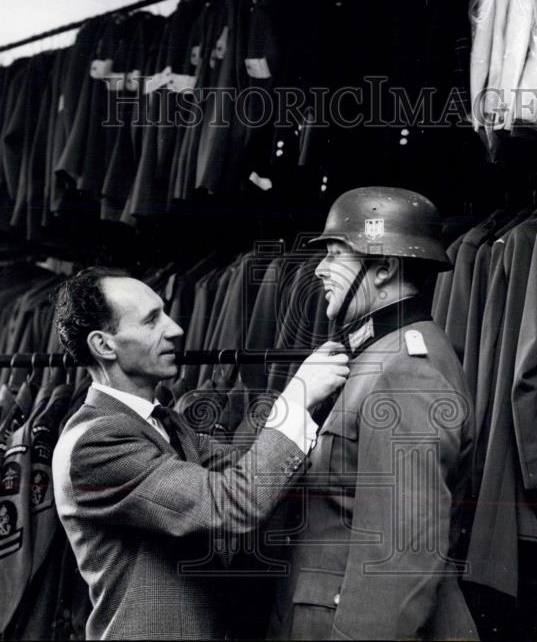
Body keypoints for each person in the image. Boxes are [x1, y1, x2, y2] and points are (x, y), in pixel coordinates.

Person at [50, 267, 349, 640]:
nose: (174, 329)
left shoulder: (167, 423)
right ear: (104, 345)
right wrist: (298, 396)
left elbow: (247, 474)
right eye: (151, 321)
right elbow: (229, 504)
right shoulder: (95, 443)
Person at [267, 187, 478, 640]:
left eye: (336, 254)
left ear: (384, 268)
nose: (319, 269)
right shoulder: (373, 356)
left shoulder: (407, 371)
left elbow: (401, 552)